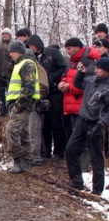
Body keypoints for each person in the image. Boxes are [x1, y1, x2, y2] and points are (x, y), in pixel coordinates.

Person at [65, 58, 109, 196]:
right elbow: (78, 84)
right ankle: (76, 180)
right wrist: (81, 72)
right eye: (96, 68)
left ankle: (97, 189)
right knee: (71, 148)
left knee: (96, 157)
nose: (96, 70)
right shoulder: (91, 80)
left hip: (96, 124)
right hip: (82, 120)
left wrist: (101, 124)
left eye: (99, 68)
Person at [27, 34, 68, 160]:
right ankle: (46, 152)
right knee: (44, 124)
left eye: (33, 45)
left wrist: (51, 79)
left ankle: (59, 151)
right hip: (40, 93)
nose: (32, 48)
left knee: (55, 122)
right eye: (30, 46)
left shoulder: (52, 53)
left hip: (54, 91)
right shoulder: (31, 58)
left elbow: (63, 67)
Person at [6, 41, 40, 173]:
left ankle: (18, 160)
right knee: (24, 132)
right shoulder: (19, 64)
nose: (10, 54)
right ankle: (26, 161)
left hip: (21, 104)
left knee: (11, 130)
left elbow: (28, 87)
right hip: (18, 103)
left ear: (19, 51)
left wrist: (18, 106)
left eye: (12, 51)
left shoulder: (27, 64)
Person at [59, 38, 100, 142]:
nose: (67, 52)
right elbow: (66, 75)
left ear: (77, 48)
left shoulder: (89, 62)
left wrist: (69, 87)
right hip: (71, 105)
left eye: (69, 48)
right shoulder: (73, 62)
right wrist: (62, 83)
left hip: (81, 106)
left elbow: (88, 85)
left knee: (80, 139)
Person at [0, 28, 14, 116]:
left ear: (10, 35)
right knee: (1, 93)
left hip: (11, 74)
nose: (5, 35)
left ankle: (11, 111)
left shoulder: (13, 45)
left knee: (11, 93)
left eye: (7, 34)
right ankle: (2, 110)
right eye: (3, 34)